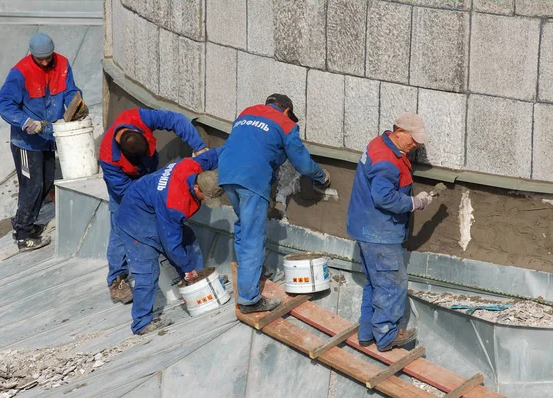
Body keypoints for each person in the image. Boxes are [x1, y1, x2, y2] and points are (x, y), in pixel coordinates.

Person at [218, 94, 330, 314]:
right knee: (253, 238)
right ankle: (249, 300)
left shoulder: (246, 112)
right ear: (287, 110)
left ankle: (252, 276)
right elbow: (302, 163)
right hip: (251, 179)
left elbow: (248, 144)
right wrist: (320, 176)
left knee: (243, 229)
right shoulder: (285, 123)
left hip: (227, 173)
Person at [99, 108, 208, 304]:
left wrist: (199, 148)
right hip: (126, 189)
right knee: (121, 226)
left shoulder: (138, 117)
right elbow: (128, 196)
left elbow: (176, 119)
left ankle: (196, 274)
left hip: (151, 177)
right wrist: (154, 208)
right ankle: (117, 280)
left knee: (172, 230)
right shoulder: (109, 159)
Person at [346, 112, 433, 352]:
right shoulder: (386, 159)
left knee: (375, 283)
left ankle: (367, 333)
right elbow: (383, 196)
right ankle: (386, 337)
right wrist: (414, 203)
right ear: (398, 131)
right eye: (413, 139)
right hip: (380, 232)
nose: (415, 144)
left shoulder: (381, 145)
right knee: (393, 285)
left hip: (367, 227)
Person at [113, 148, 223, 335]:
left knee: (188, 241)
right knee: (147, 272)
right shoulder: (175, 203)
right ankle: (141, 322)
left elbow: (217, 154)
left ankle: (197, 282)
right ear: (197, 188)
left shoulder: (193, 165)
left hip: (152, 205)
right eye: (206, 197)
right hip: (134, 220)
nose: (206, 201)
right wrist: (187, 268)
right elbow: (170, 243)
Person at [0, 32, 88, 252]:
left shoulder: (63, 64)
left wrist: (74, 103)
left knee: (46, 182)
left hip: (47, 137)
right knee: (32, 186)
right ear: (32, 54)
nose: (46, 62)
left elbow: (69, 91)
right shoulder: (20, 73)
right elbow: (4, 104)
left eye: (48, 57)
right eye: (41, 59)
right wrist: (26, 121)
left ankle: (22, 223)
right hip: (26, 142)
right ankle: (24, 236)